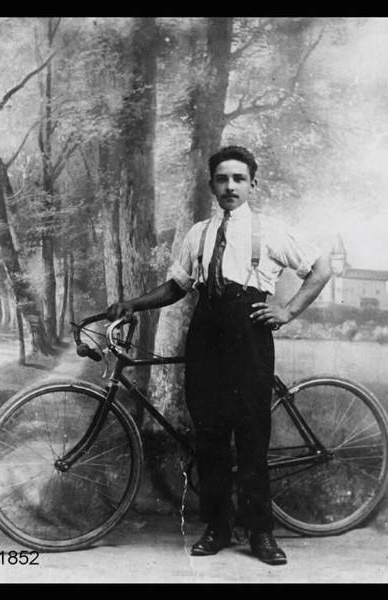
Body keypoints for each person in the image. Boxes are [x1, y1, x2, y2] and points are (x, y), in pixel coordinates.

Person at [106, 145, 332, 566]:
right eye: (223, 179)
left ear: (252, 184)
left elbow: (321, 268)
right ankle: (217, 526)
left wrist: (288, 310)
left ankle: (261, 533)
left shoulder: (271, 231)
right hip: (206, 336)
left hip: (250, 336)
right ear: (212, 184)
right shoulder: (199, 233)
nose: (230, 186)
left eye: (239, 179)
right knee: (208, 437)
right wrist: (132, 303)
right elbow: (177, 286)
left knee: (250, 437)